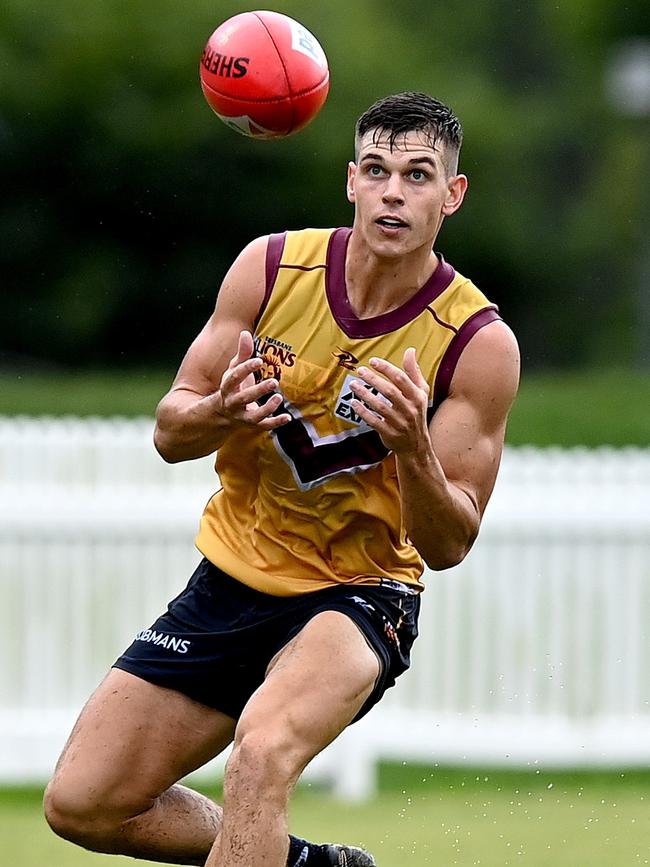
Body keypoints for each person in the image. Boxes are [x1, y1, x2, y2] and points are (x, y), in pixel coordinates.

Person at [44, 91, 520, 867]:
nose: (394, 191)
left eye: (418, 174)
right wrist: (221, 411)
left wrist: (412, 448)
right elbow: (170, 432)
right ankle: (309, 864)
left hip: (359, 594)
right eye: (377, 169)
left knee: (260, 755)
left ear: (452, 195)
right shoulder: (270, 267)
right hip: (233, 579)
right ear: (350, 182)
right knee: (83, 803)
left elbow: (449, 544)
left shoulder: (477, 342)